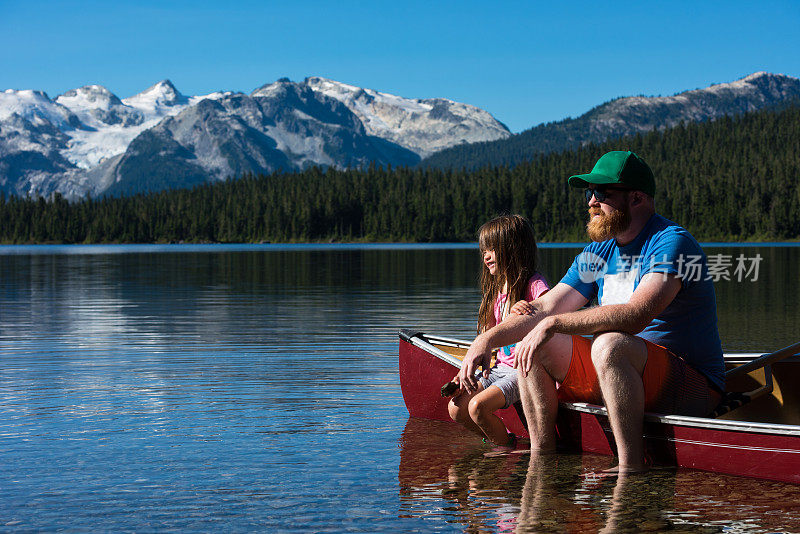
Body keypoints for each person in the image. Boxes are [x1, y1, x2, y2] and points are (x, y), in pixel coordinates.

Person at [457, 151, 725, 473]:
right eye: (589, 193)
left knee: (609, 343)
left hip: (689, 386)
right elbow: (544, 306)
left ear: (637, 198)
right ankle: (543, 458)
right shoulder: (598, 251)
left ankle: (631, 466)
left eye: (602, 193)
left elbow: (636, 315)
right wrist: (486, 340)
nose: (591, 203)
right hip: (622, 373)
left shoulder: (671, 243)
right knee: (536, 337)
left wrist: (554, 323)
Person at [448, 215, 549, 447]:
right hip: (499, 367)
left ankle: (503, 453)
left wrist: (530, 310)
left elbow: (551, 313)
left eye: (493, 249)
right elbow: (486, 342)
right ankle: (501, 440)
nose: (486, 256)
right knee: (456, 409)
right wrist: (467, 373)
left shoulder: (533, 284)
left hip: (522, 370)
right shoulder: (497, 293)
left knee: (478, 407)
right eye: (484, 250)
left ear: (513, 249)